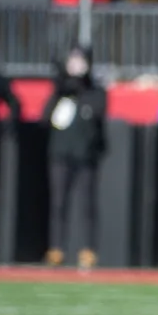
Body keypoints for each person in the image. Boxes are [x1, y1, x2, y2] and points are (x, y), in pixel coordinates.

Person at [43, 47, 107, 270]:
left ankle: (88, 249)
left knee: (87, 205)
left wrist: (80, 86)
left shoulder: (95, 90)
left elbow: (99, 111)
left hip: (86, 156)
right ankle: (56, 248)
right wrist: (61, 87)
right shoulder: (60, 90)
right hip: (61, 154)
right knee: (59, 202)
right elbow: (46, 117)